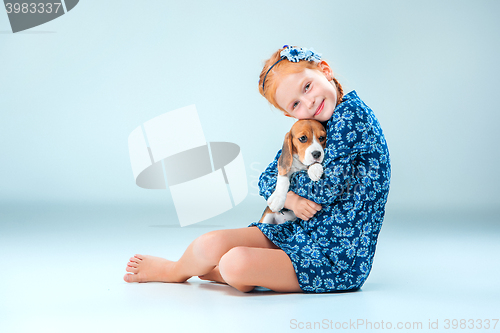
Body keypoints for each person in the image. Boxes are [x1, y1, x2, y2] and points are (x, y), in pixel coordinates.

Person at [124, 46, 391, 293]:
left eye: (307, 86)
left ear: (325, 70)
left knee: (234, 263)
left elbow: (325, 189)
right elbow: (266, 179)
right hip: (297, 231)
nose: (307, 102)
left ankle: (239, 273)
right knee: (210, 244)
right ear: (291, 115)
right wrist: (290, 198)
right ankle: (175, 270)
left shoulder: (351, 116)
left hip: (335, 257)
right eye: (295, 104)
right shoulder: (312, 123)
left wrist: (284, 185)